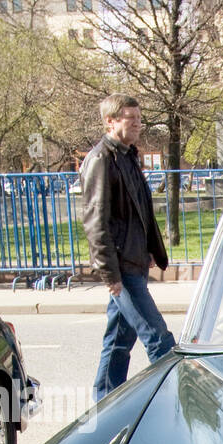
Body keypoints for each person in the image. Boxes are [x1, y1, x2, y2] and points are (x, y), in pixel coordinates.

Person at [80, 92, 174, 401]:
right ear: (110, 122)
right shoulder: (100, 160)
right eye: (130, 119)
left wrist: (148, 249)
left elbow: (139, 210)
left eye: (139, 119)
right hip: (122, 270)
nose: (138, 125)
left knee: (118, 343)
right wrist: (111, 276)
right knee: (159, 340)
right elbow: (96, 223)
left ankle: (104, 405)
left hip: (134, 263)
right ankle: (178, 401)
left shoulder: (127, 155)